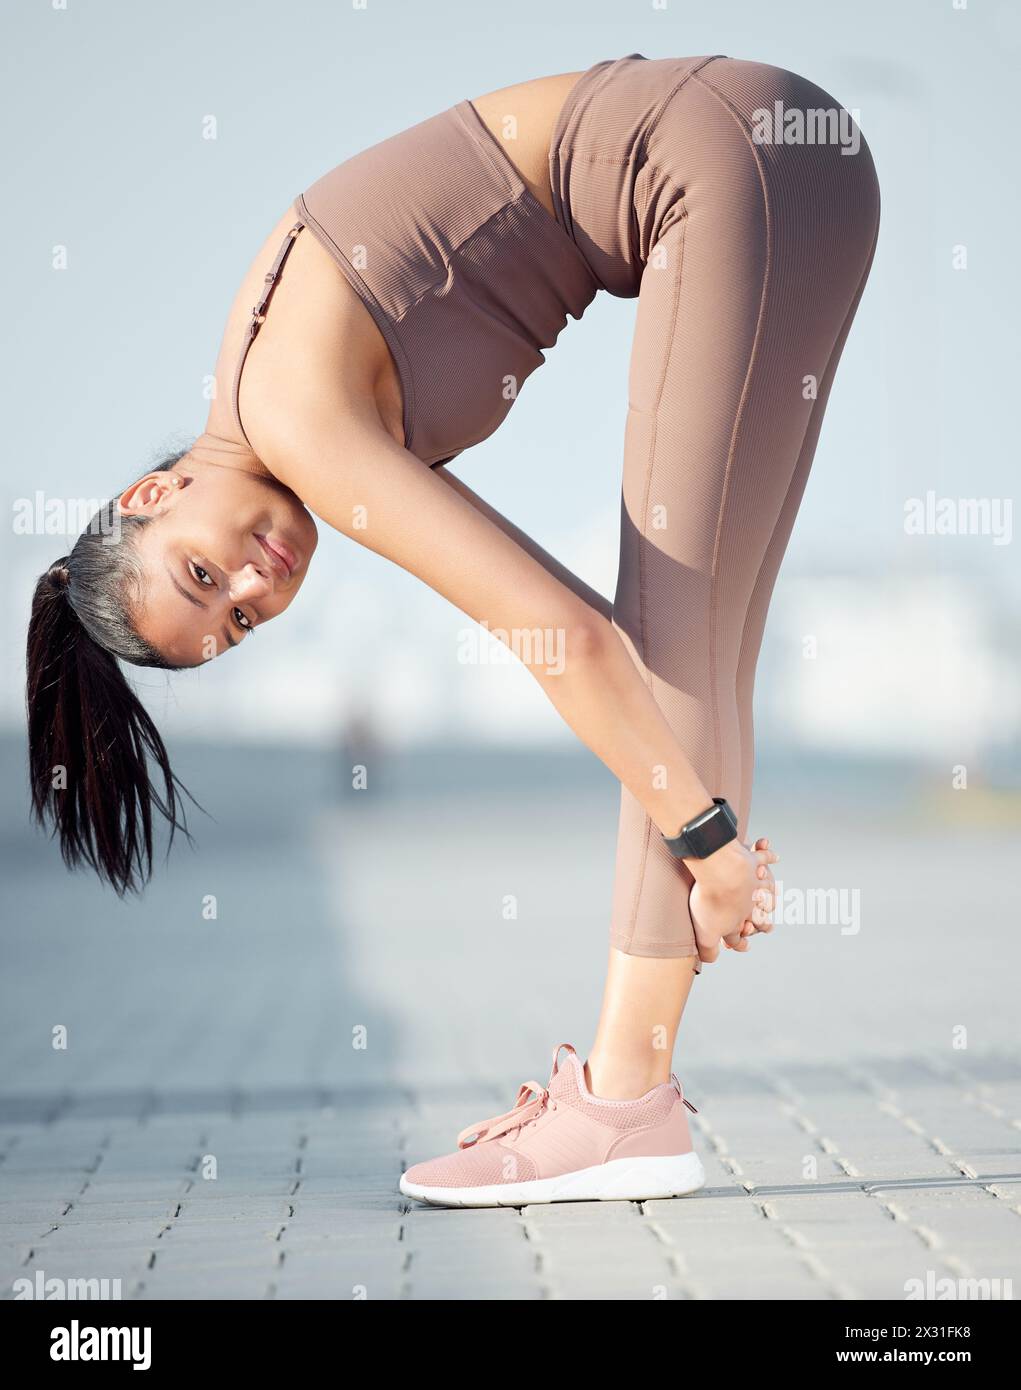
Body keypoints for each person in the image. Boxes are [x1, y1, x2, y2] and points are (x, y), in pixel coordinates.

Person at [26, 53, 879, 1206]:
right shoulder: (273, 403)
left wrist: (710, 848)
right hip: (782, 152)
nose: (252, 585)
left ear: (151, 492)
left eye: (199, 569)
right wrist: (702, 831)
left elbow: (565, 642)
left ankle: (625, 1107)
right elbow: (571, 630)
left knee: (668, 650)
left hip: (721, 160)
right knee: (698, 643)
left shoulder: (289, 413)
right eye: (234, 623)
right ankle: (631, 1103)